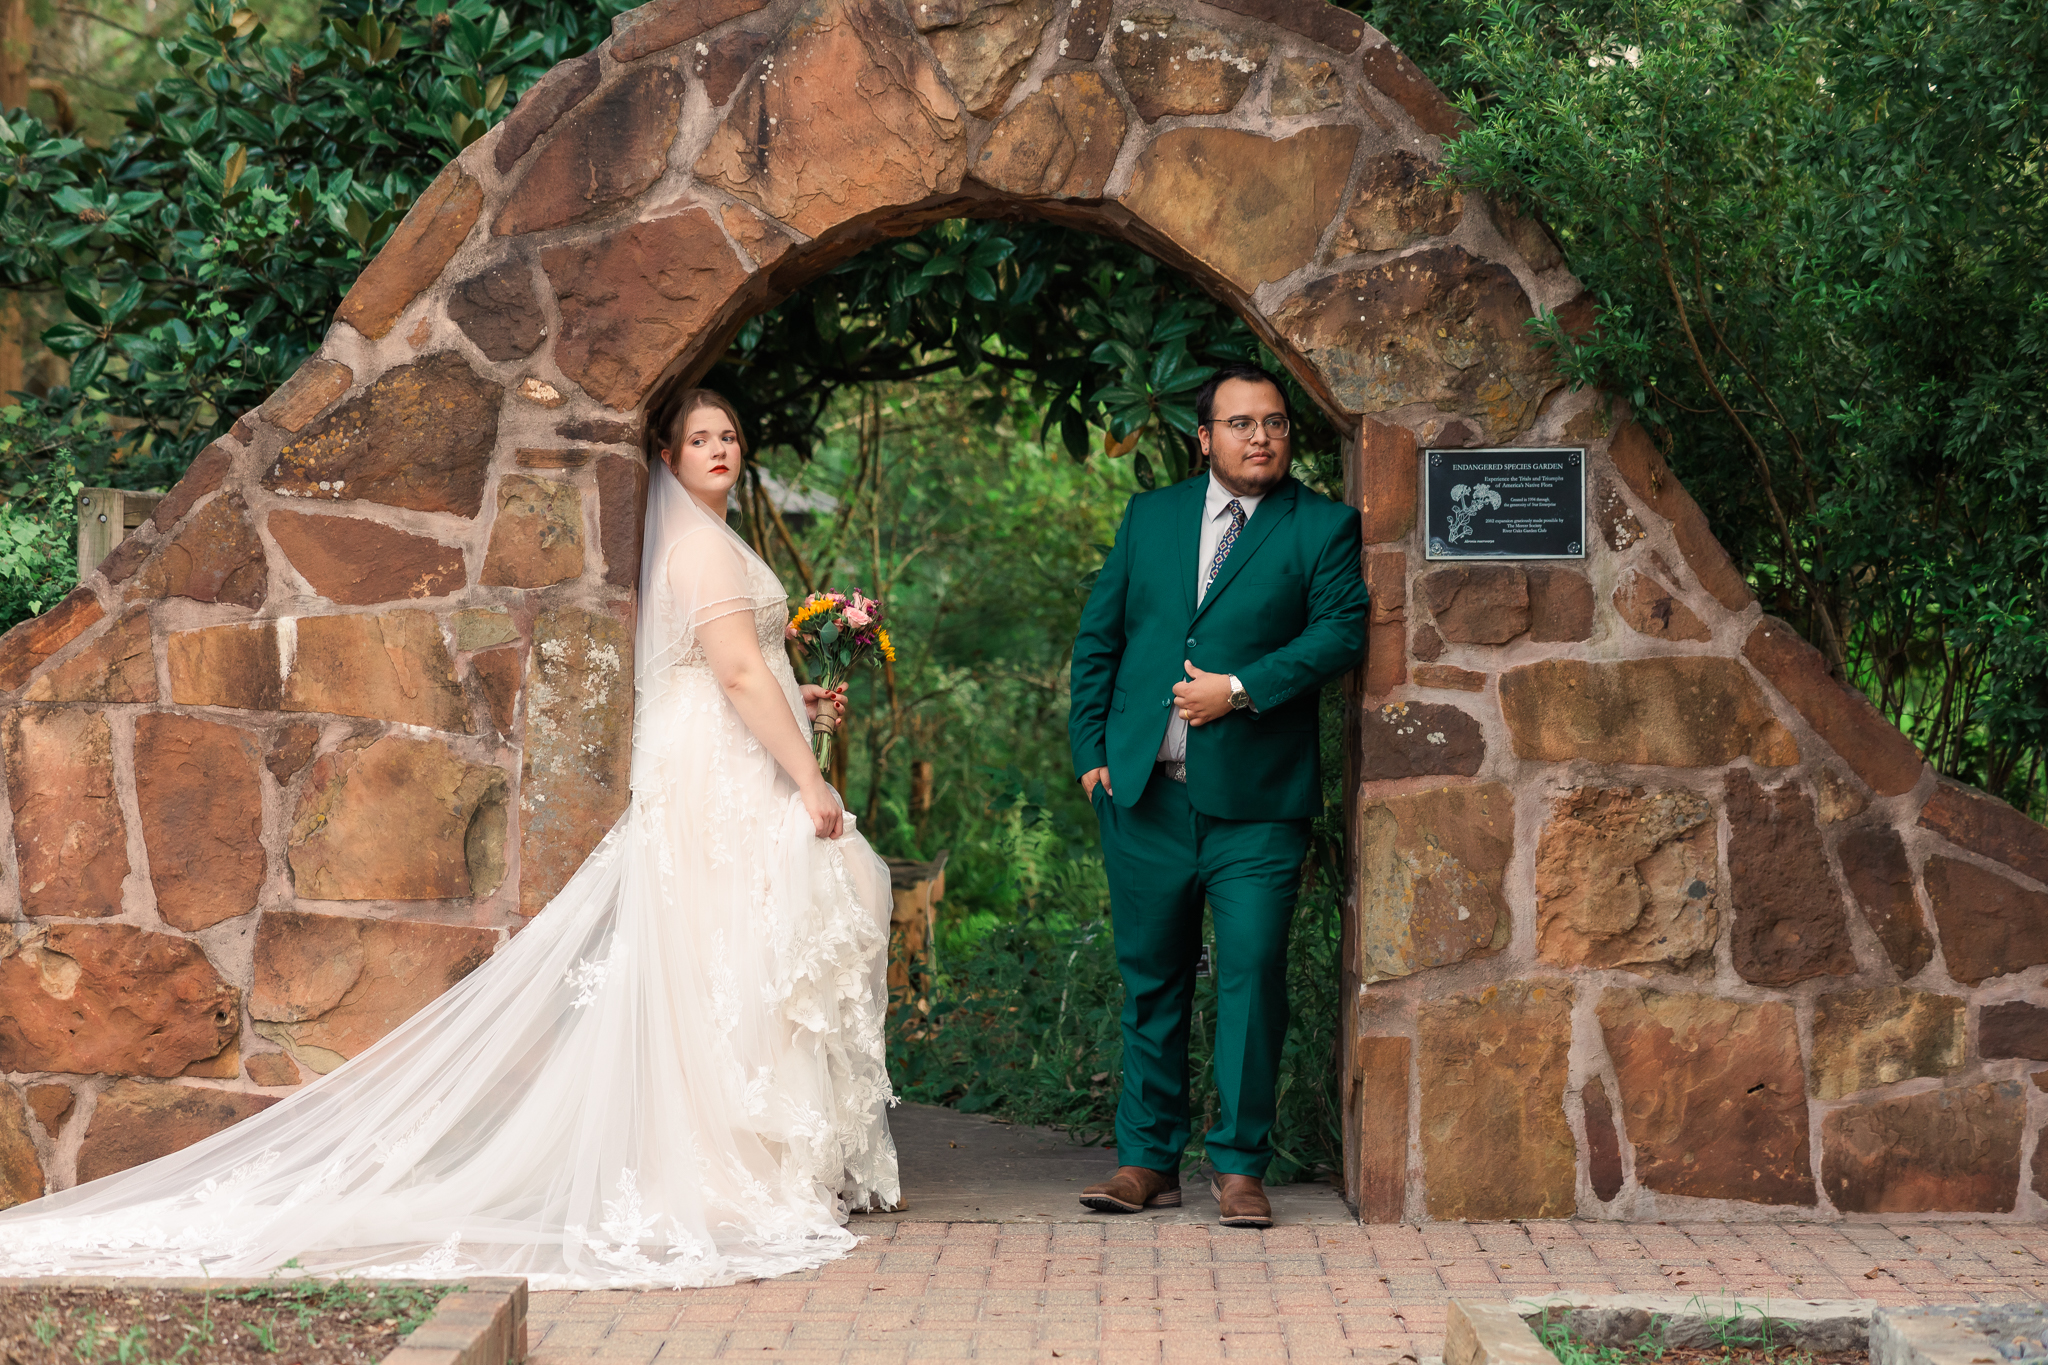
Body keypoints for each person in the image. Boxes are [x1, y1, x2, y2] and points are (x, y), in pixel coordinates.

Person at [0, 390, 900, 1288]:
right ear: (667, 459)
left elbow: (725, 669)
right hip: (718, 768)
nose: (718, 449)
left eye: (730, 436)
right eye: (699, 438)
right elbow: (739, 672)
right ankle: (738, 1161)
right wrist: (810, 777)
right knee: (761, 931)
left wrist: (804, 706)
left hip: (717, 754)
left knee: (734, 945)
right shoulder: (702, 546)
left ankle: (758, 1152)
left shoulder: (705, 542)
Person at [1068, 363, 1369, 1228]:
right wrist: (1094, 755)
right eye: (1240, 424)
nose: (1260, 437)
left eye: (1273, 423)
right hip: (1144, 798)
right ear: (1205, 437)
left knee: (1250, 977)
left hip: (1258, 806)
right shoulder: (1150, 517)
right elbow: (1100, 640)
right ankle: (1145, 1161)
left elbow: (1340, 631)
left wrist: (1239, 688)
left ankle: (1240, 1166)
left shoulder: (1323, 526)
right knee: (1152, 981)